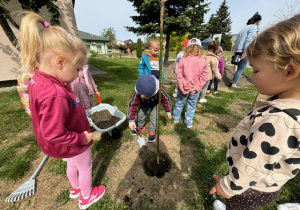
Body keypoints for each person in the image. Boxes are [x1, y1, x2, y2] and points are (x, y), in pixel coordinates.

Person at [210, 13, 300, 210]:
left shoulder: (279, 121)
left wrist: (226, 187)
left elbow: (252, 166)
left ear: (289, 72)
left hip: (250, 187)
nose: (251, 75)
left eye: (256, 70)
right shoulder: (288, 105)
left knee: (238, 207)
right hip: (265, 184)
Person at [18, 12, 105, 209]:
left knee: (71, 164)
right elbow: (54, 133)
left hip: (63, 148)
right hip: (72, 142)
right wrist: (83, 138)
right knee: (85, 166)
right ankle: (86, 196)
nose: (77, 75)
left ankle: (74, 188)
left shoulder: (40, 81)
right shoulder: (54, 93)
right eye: (77, 69)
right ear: (60, 62)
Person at [172, 38, 208, 128]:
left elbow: (179, 76)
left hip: (183, 88)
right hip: (195, 90)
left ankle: (176, 118)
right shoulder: (203, 62)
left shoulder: (182, 61)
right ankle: (188, 122)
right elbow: (204, 77)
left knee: (179, 103)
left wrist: (182, 87)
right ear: (200, 49)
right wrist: (196, 87)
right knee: (191, 105)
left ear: (187, 49)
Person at [127, 74, 172, 142]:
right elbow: (133, 104)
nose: (147, 98)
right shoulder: (137, 92)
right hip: (143, 104)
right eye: (144, 97)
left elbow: (166, 99)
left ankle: (152, 130)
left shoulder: (160, 89)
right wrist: (131, 120)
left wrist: (168, 111)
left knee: (154, 116)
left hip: (155, 104)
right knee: (140, 114)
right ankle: (140, 126)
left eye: (148, 96)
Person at [231, 14, 262, 89]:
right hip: (243, 50)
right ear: (258, 21)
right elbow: (249, 40)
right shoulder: (253, 27)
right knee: (242, 68)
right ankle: (234, 84)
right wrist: (246, 51)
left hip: (238, 49)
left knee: (239, 67)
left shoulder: (245, 28)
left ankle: (234, 82)